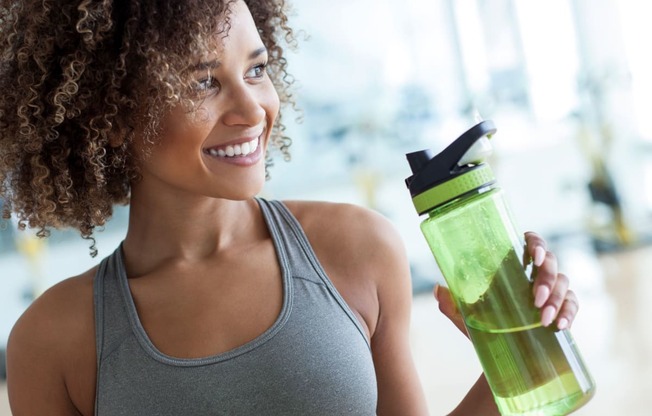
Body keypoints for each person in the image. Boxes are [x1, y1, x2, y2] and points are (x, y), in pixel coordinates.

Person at [1, 1, 580, 415]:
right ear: (116, 115)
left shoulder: (356, 250)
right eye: (204, 83)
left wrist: (520, 353)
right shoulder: (53, 341)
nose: (252, 110)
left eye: (256, 70)